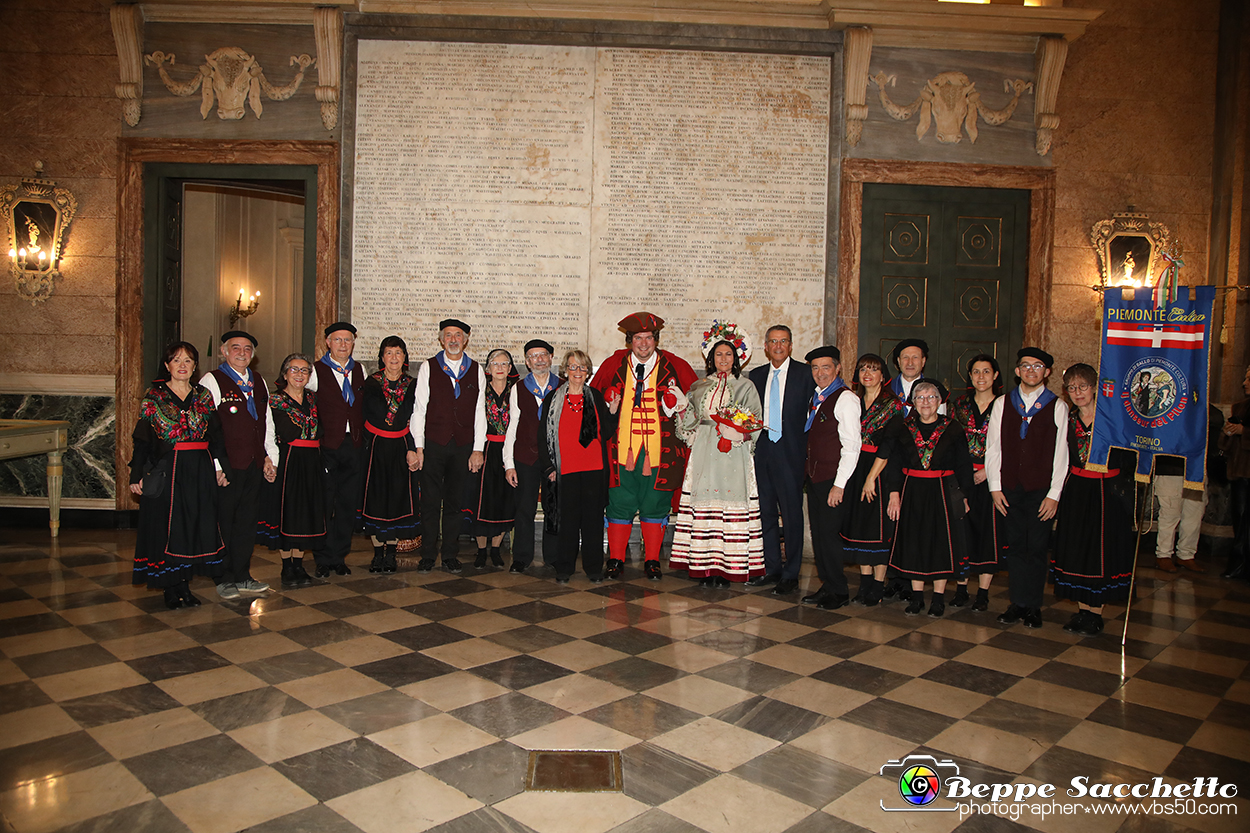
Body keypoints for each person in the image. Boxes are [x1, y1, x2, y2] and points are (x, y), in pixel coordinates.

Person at [590, 312, 699, 580]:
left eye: (649, 338)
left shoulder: (674, 365)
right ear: (629, 341)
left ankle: (652, 560)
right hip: (620, 451)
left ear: (656, 340)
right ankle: (615, 559)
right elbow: (591, 401)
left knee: (656, 503)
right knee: (619, 503)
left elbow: (696, 402)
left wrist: (681, 405)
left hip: (659, 453)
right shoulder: (614, 364)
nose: (643, 343)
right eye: (638, 338)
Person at [129, 342, 227, 609]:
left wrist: (221, 469)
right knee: (169, 528)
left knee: (192, 528)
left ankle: (184, 585)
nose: (182, 366)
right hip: (169, 470)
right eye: (176, 360)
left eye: (188, 361)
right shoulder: (154, 397)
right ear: (167, 365)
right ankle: (170, 588)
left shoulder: (204, 396)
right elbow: (142, 440)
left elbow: (217, 437)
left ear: (195, 366)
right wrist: (136, 473)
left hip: (200, 469)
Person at [669, 323, 765, 586]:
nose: (723, 359)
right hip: (704, 451)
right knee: (705, 506)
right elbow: (688, 423)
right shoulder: (699, 385)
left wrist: (741, 434)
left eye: (728, 355)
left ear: (736, 359)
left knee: (729, 507)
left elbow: (756, 421)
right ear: (711, 358)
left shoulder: (746, 386)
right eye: (719, 355)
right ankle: (704, 566)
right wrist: (681, 406)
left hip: (734, 452)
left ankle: (727, 568)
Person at [986, 347, 1069, 629]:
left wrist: (1054, 494)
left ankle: (1033, 605)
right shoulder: (1003, 403)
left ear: (1046, 372)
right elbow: (993, 447)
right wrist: (995, 487)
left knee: (1035, 547)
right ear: (1017, 371)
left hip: (1040, 491)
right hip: (1009, 488)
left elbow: (1061, 455)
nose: (1030, 371)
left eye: (1037, 366)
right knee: (1015, 546)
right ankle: (1016, 602)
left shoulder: (1057, 406)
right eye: (1025, 366)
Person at [1052, 363, 1135, 636]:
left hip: (1106, 491)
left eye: (1083, 387)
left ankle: (1095, 613)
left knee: (1101, 550)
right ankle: (1082, 610)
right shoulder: (1068, 420)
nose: (1078, 393)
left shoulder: (1112, 418)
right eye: (1072, 388)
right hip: (1077, 489)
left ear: (1095, 387)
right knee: (1077, 548)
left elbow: (1129, 455)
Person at [885, 381, 974, 617]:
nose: (926, 402)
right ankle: (916, 599)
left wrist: (964, 494)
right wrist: (894, 493)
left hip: (942, 492)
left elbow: (964, 465)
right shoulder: (903, 428)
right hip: (911, 490)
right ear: (913, 403)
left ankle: (937, 599)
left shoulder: (953, 428)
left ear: (940, 401)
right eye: (920, 398)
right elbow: (893, 463)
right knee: (913, 542)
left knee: (940, 544)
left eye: (931, 397)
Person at [200, 330, 272, 600]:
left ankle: (242, 574)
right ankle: (223, 577)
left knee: (246, 522)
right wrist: (217, 466)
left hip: (253, 463)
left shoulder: (258, 381)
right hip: (227, 466)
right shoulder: (212, 380)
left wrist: (268, 456)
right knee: (225, 522)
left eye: (247, 349)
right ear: (224, 352)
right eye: (236, 348)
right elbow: (206, 427)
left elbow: (266, 423)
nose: (242, 353)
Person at [411, 319, 486, 574]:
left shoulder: (475, 370)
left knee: (455, 503)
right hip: (434, 443)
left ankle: (450, 554)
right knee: (430, 502)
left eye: (458, 335)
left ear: (466, 340)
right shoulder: (428, 367)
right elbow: (419, 409)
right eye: (448, 336)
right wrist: (419, 447)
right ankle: (428, 554)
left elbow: (479, 412)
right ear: (441, 340)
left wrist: (478, 449)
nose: (453, 340)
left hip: (462, 446)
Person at [539, 350, 619, 583]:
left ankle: (594, 568)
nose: (577, 372)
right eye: (573, 367)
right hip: (566, 470)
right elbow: (542, 436)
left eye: (582, 368)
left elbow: (605, 432)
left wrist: (612, 412)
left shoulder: (594, 396)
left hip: (594, 468)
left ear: (587, 372)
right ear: (565, 370)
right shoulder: (553, 400)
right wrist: (548, 467)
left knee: (593, 521)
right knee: (568, 522)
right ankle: (564, 568)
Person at [746, 325, 815, 595]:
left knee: (792, 515)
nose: (777, 346)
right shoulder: (757, 375)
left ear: (790, 345)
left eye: (783, 341)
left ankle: (791, 572)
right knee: (766, 516)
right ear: (765, 346)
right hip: (763, 455)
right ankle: (772, 568)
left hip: (792, 455)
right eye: (772, 341)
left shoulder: (804, 374)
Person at [800, 346, 862, 610]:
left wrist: (839, 485)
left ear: (837, 368)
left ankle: (839, 591)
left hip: (832, 480)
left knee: (830, 537)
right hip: (815, 479)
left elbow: (852, 445)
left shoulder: (846, 399)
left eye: (826, 367)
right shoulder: (818, 397)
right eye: (815, 368)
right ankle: (827, 584)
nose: (820, 373)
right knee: (820, 535)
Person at [841, 353, 905, 606]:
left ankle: (878, 585)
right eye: (863, 369)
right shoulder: (853, 401)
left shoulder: (893, 404)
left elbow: (889, 445)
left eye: (874, 369)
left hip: (881, 469)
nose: (867, 374)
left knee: (878, 529)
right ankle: (864, 583)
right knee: (860, 527)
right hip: (856, 466)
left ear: (883, 375)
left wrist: (871, 478)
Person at [257, 353, 323, 587]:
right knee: (288, 512)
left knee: (305, 513)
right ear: (285, 374)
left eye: (304, 370)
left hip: (312, 460)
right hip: (289, 460)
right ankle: (287, 567)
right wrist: (269, 460)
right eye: (294, 370)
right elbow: (267, 433)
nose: (299, 374)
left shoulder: (314, 399)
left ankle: (299, 564)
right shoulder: (274, 401)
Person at [307, 322, 366, 578]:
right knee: (324, 502)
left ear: (353, 343)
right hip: (327, 446)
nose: (343, 345)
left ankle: (339, 556)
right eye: (338, 340)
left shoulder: (360, 369)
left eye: (348, 340)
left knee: (346, 503)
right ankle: (322, 557)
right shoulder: (315, 371)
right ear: (328, 343)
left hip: (352, 445)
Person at [948, 354, 1004, 611]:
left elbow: (1008, 446)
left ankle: (982, 592)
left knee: (988, 534)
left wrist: (989, 472)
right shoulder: (959, 405)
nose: (981, 376)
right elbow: (952, 442)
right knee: (961, 533)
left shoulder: (1006, 405)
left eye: (986, 371)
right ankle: (961, 588)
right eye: (976, 372)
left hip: (993, 481)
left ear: (995, 375)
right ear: (970, 377)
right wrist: (965, 473)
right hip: (963, 478)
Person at [361, 336, 422, 573]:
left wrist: (411, 447)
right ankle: (377, 553)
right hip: (375, 447)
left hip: (401, 447)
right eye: (389, 353)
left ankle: (391, 554)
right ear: (382, 357)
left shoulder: (413, 384)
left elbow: (413, 419)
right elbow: (370, 415)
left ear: (405, 357)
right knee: (376, 499)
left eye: (398, 352)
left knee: (397, 499)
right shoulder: (371, 383)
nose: (394, 357)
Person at [504, 339, 561, 573]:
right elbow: (512, 426)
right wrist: (509, 463)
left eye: (543, 355)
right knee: (524, 508)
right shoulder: (518, 388)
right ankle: (522, 557)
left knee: (553, 508)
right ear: (527, 362)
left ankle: (554, 556)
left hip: (554, 459)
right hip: (525, 457)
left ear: (550, 358)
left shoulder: (563, 385)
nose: (539, 360)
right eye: (533, 356)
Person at [1153, 404, 1223, 573]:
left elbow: (1217, 419)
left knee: (1194, 513)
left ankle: (1186, 555)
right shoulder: (1167, 405)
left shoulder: (1203, 406)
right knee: (1170, 513)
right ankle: (1163, 554)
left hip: (1196, 468)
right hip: (1170, 467)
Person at [471, 348, 519, 568]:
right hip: (485, 449)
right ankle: (481, 550)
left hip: (509, 452)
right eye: (495, 364)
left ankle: (497, 549)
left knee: (504, 500)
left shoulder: (516, 391)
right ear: (488, 368)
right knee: (482, 501)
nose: (500, 368)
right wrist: (476, 449)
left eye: (504, 364)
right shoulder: (480, 390)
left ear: (510, 369)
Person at [1221, 366, 1250, 581]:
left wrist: (1245, 432)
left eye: (1249, 378)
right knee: (1239, 519)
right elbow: (1228, 445)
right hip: (1240, 472)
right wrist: (1229, 432)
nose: (1244, 383)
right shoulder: (1239, 407)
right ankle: (1239, 563)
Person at [890, 339, 948, 415]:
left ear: (923, 361)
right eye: (905, 357)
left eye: (915, 357)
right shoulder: (887, 388)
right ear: (899, 361)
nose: (910, 363)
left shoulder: (936, 389)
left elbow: (941, 423)